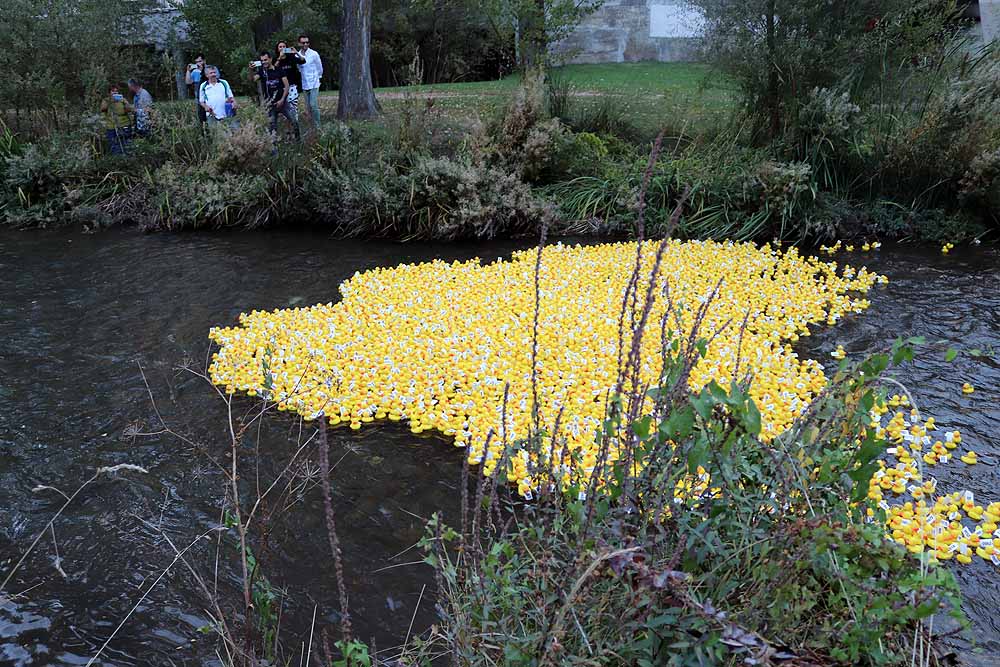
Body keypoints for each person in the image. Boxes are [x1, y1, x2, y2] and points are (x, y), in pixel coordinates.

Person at [252, 51, 300, 142]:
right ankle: (273, 147)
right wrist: (251, 70)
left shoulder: (279, 70)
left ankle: (298, 141)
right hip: (270, 104)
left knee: (294, 120)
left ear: (270, 59)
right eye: (262, 61)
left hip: (283, 102)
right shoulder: (262, 72)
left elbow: (287, 86)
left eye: (265, 60)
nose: (264, 62)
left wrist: (282, 100)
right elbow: (253, 79)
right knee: (272, 127)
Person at [275, 39, 305, 123]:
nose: (282, 48)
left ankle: (295, 127)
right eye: (280, 47)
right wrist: (279, 58)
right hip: (281, 88)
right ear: (277, 49)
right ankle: (288, 130)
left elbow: (303, 61)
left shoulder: (291, 57)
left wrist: (296, 53)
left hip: (292, 87)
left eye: (284, 47)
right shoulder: (275, 59)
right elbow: (274, 69)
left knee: (293, 108)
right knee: (284, 110)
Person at [297, 34, 323, 131]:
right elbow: (299, 68)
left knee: (313, 104)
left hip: (314, 82)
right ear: (299, 43)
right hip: (305, 84)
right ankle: (311, 127)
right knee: (308, 107)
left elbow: (319, 67)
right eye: (303, 42)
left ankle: (318, 126)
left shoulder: (314, 54)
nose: (305, 44)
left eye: (307, 42)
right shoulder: (297, 55)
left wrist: (319, 77)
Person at [199, 65, 238, 130]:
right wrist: (206, 107)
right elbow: (201, 101)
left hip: (226, 113)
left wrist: (234, 103)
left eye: (214, 72)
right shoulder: (203, 86)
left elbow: (231, 97)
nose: (213, 74)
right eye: (211, 73)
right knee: (216, 135)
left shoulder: (224, 83)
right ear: (207, 75)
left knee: (231, 133)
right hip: (212, 115)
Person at [100, 84, 134, 155]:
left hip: (124, 125)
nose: (115, 92)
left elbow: (129, 110)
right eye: (113, 91)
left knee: (127, 144)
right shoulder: (106, 100)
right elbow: (103, 109)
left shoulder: (122, 99)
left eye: (116, 91)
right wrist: (111, 101)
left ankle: (129, 159)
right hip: (112, 126)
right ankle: (118, 161)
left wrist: (125, 103)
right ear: (109, 93)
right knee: (114, 146)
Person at [185, 54, 208, 125]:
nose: (198, 63)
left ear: (204, 61)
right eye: (196, 62)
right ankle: (204, 131)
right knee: (201, 116)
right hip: (199, 97)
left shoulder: (211, 69)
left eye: (200, 61)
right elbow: (188, 82)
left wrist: (202, 70)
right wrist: (188, 71)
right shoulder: (195, 72)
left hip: (210, 95)